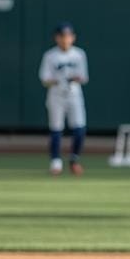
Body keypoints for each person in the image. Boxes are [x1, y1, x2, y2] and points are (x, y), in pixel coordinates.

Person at [38, 22, 88, 176]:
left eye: (68, 36)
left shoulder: (79, 54)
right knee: (56, 130)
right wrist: (57, 80)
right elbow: (44, 79)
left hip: (74, 95)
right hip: (56, 95)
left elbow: (84, 77)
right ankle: (56, 162)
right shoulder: (50, 55)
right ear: (57, 38)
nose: (65, 40)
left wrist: (74, 78)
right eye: (62, 36)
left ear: (73, 38)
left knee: (79, 129)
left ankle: (74, 160)